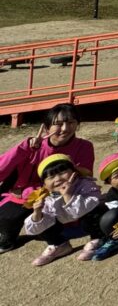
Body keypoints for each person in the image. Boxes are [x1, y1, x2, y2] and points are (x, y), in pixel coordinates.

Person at [0, 103, 94, 253]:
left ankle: (59, 241)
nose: (65, 128)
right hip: (24, 194)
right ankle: (8, 236)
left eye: (71, 122)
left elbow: (87, 174)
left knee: (46, 214)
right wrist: (24, 148)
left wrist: (72, 166)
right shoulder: (32, 146)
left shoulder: (84, 146)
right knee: (7, 218)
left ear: (77, 124)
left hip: (59, 193)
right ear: (46, 128)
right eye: (58, 124)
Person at [21, 154, 104, 266]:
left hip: (89, 225)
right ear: (45, 184)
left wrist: (68, 195)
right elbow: (34, 230)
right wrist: (37, 212)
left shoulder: (85, 184)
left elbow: (87, 207)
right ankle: (59, 245)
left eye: (62, 173)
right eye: (51, 177)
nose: (58, 179)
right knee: (40, 220)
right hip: (66, 230)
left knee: (95, 211)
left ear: (74, 172)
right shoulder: (46, 197)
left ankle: (98, 238)